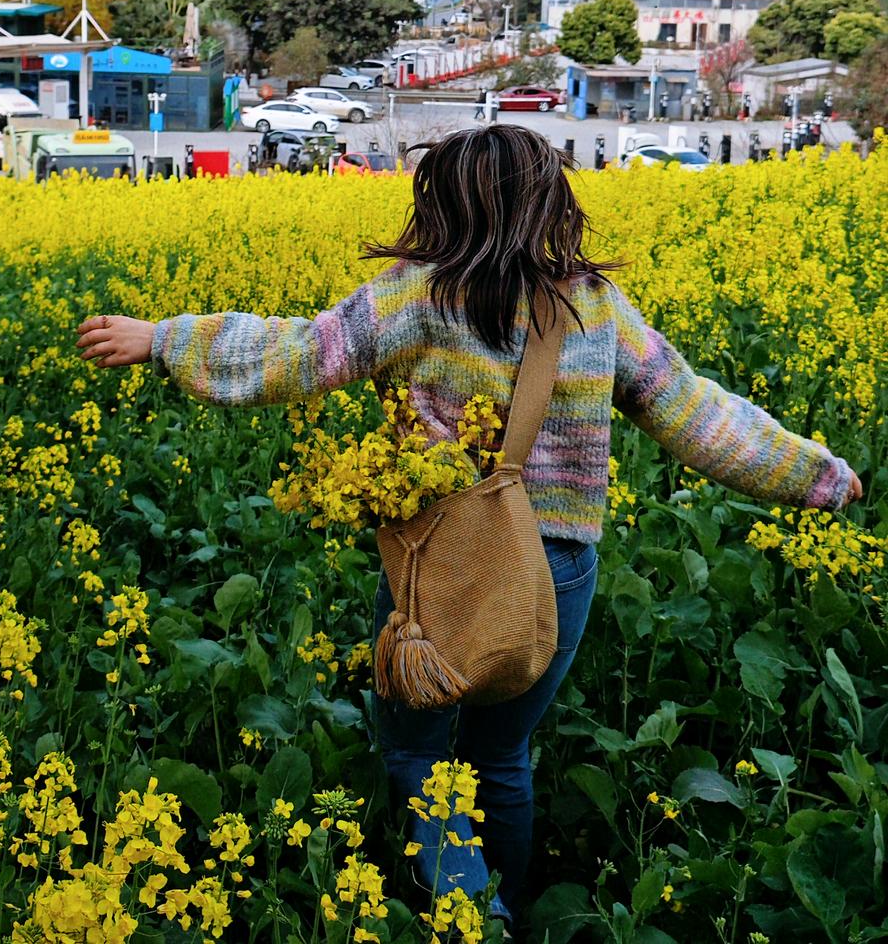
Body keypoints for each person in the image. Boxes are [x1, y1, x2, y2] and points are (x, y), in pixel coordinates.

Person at [74, 126, 862, 934]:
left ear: (441, 204)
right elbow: (693, 411)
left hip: (440, 563)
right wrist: (814, 473)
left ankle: (468, 920)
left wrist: (164, 340)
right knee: (502, 757)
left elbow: (299, 354)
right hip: (557, 568)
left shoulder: (417, 294)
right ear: (551, 201)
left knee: (420, 754)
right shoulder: (591, 305)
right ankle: (505, 911)